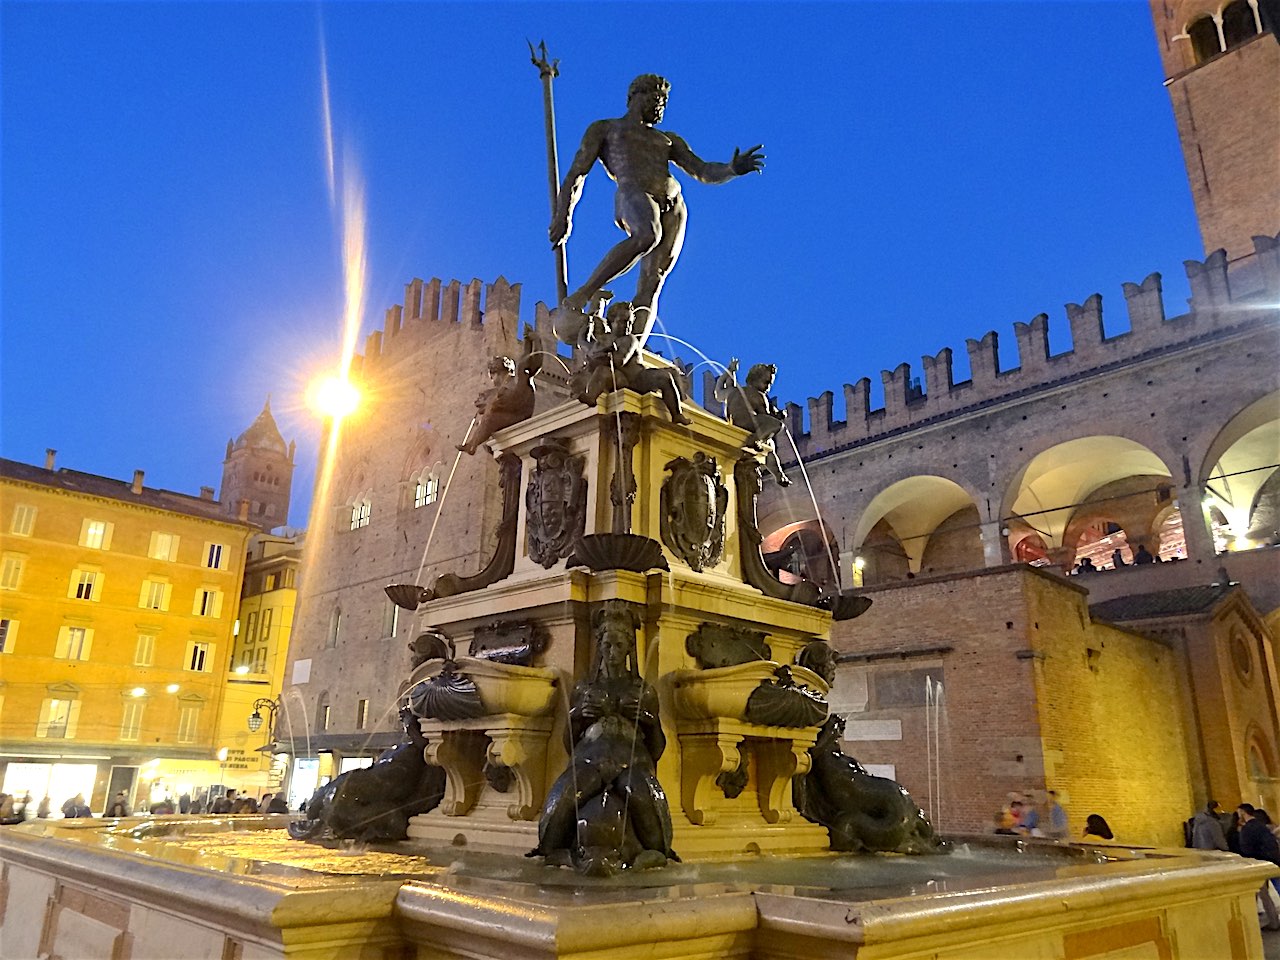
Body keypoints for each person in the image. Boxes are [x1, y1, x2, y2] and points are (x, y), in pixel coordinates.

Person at [549, 74, 764, 347]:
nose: (661, 104)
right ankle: (584, 293)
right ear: (636, 96)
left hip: (674, 206)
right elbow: (576, 175)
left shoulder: (668, 140)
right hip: (633, 193)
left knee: (654, 279)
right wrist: (563, 215)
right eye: (656, 97)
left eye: (664, 100)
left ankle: (631, 349)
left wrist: (732, 169)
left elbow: (703, 171)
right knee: (646, 235)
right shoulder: (606, 129)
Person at [1238, 804, 1280, 930]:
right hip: (1272, 861)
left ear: (1243, 813)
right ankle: (1272, 921)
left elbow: (1245, 848)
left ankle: (1272, 922)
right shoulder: (1262, 826)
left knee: (1262, 894)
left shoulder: (1247, 829)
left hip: (1257, 864)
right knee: (1270, 891)